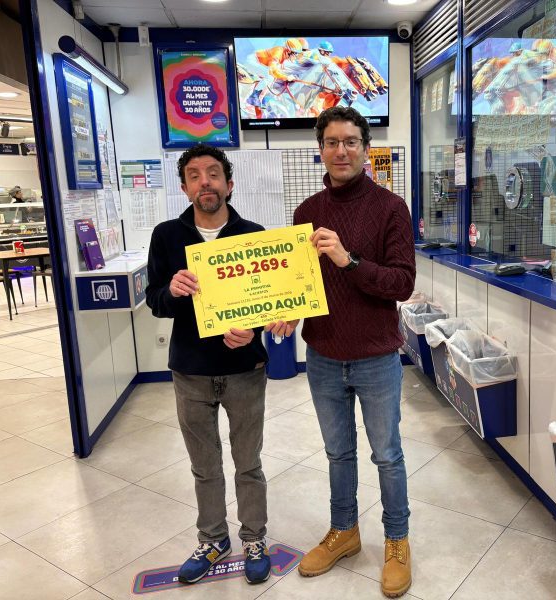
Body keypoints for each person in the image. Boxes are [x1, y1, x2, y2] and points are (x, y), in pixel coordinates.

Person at [267, 106, 416, 597]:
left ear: (366, 149)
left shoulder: (391, 208)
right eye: (331, 142)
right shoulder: (306, 213)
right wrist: (290, 310)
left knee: (387, 455)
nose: (341, 150)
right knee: (337, 453)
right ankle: (344, 532)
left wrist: (349, 261)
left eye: (351, 141)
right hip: (324, 355)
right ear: (321, 150)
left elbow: (402, 284)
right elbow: (302, 283)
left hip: (376, 356)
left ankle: (396, 540)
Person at [145, 143, 271, 586]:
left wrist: (253, 329)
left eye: (213, 174)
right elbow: (155, 301)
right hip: (191, 370)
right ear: (184, 188)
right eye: (195, 176)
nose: (205, 182)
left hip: (245, 369)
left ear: (229, 184)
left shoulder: (253, 235)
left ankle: (254, 538)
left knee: (248, 463)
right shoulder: (166, 236)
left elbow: (268, 300)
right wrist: (172, 291)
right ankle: (214, 538)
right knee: (204, 465)